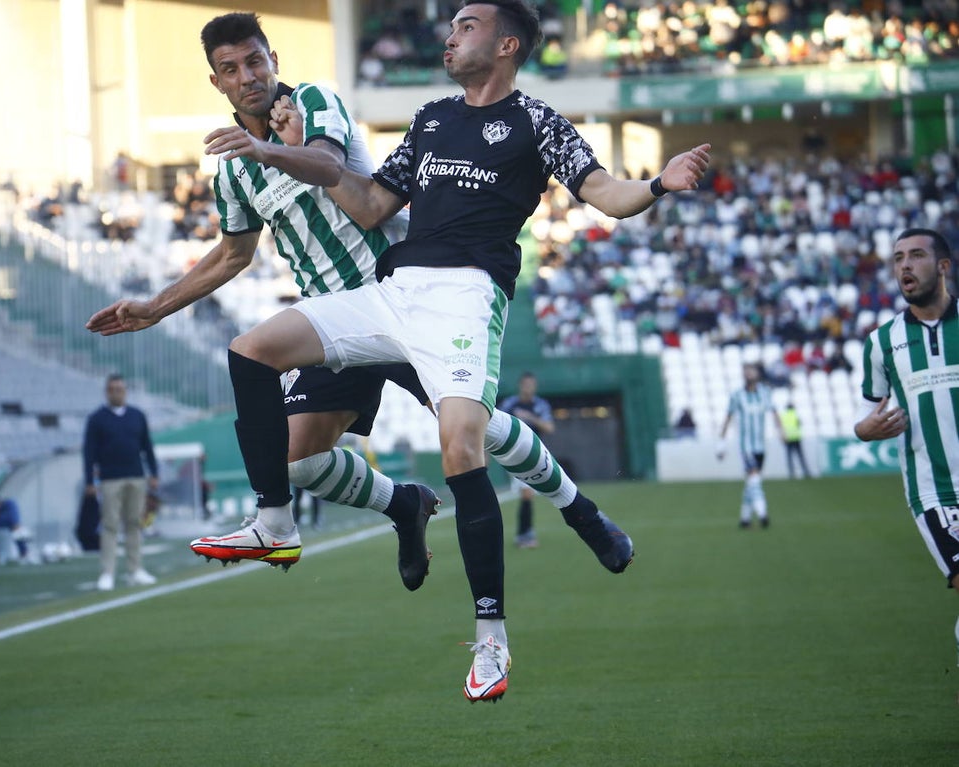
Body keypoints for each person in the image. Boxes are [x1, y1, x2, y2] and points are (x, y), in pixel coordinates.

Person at [202, 0, 706, 702]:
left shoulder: (537, 121)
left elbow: (606, 194)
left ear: (505, 45)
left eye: (466, 25)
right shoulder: (433, 116)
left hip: (467, 296)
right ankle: (276, 523)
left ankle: (492, 635)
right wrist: (302, 155)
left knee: (462, 448)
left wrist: (658, 184)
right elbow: (372, 205)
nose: (450, 34)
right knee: (252, 349)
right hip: (394, 286)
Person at [86, 11, 621, 596]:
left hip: (407, 297)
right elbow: (233, 255)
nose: (247, 76)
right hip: (333, 320)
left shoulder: (313, 102)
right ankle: (405, 505)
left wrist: (266, 150)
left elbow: (327, 166)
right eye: (230, 69)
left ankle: (581, 511)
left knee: (481, 434)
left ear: (274, 61)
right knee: (296, 461)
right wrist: (156, 306)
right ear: (217, 82)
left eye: (255, 61)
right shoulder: (232, 168)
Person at [853, 227, 959, 667]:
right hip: (935, 492)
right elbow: (864, 419)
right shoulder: (880, 342)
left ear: (943, 266)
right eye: (897, 259)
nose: (904, 267)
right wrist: (866, 431)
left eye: (915, 256)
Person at [83, 374, 159, 591]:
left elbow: (147, 445)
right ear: (107, 392)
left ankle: (135, 570)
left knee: (134, 523)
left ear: (125, 391)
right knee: (110, 525)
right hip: (109, 479)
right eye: (113, 389)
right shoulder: (97, 419)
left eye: (120, 389)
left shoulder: (137, 416)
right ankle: (107, 572)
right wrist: (90, 480)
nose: (117, 392)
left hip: (136, 475)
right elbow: (89, 452)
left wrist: (153, 472)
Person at [717, 363, 783, 528]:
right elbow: (728, 417)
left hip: (761, 446)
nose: (748, 373)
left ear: (757, 373)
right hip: (746, 446)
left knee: (751, 482)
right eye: (745, 371)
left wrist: (781, 431)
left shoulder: (765, 393)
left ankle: (745, 519)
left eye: (751, 370)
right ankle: (763, 514)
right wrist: (721, 443)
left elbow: (774, 412)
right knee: (755, 479)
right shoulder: (737, 395)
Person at [497, 372, 555, 548]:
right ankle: (525, 535)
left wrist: (531, 418)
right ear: (521, 385)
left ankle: (524, 534)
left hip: (536, 453)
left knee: (529, 494)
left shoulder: (540, 405)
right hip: (514, 453)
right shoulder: (510, 404)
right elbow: (497, 423)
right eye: (526, 384)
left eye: (532, 384)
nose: (529, 388)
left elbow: (549, 427)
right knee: (527, 493)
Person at [779, 401, 811, 479]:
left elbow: (781, 427)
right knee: (801, 456)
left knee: (789, 457)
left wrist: (783, 437)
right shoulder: (795, 414)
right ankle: (806, 472)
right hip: (796, 438)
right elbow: (799, 424)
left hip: (788, 438)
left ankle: (791, 473)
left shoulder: (784, 416)